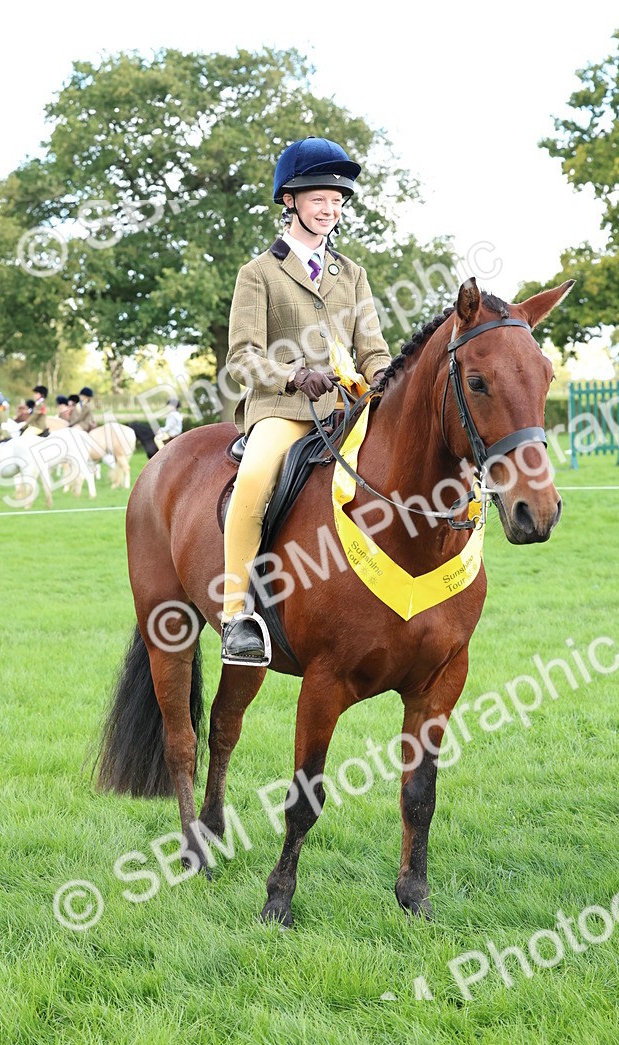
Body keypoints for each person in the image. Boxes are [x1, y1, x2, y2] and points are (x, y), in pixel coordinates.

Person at [221, 135, 391, 665]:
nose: (330, 209)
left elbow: (373, 348)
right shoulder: (259, 274)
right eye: (320, 199)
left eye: (337, 201)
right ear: (290, 201)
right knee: (253, 480)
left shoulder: (353, 274)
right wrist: (294, 376)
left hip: (346, 411)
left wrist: (385, 379)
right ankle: (236, 617)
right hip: (284, 410)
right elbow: (242, 356)